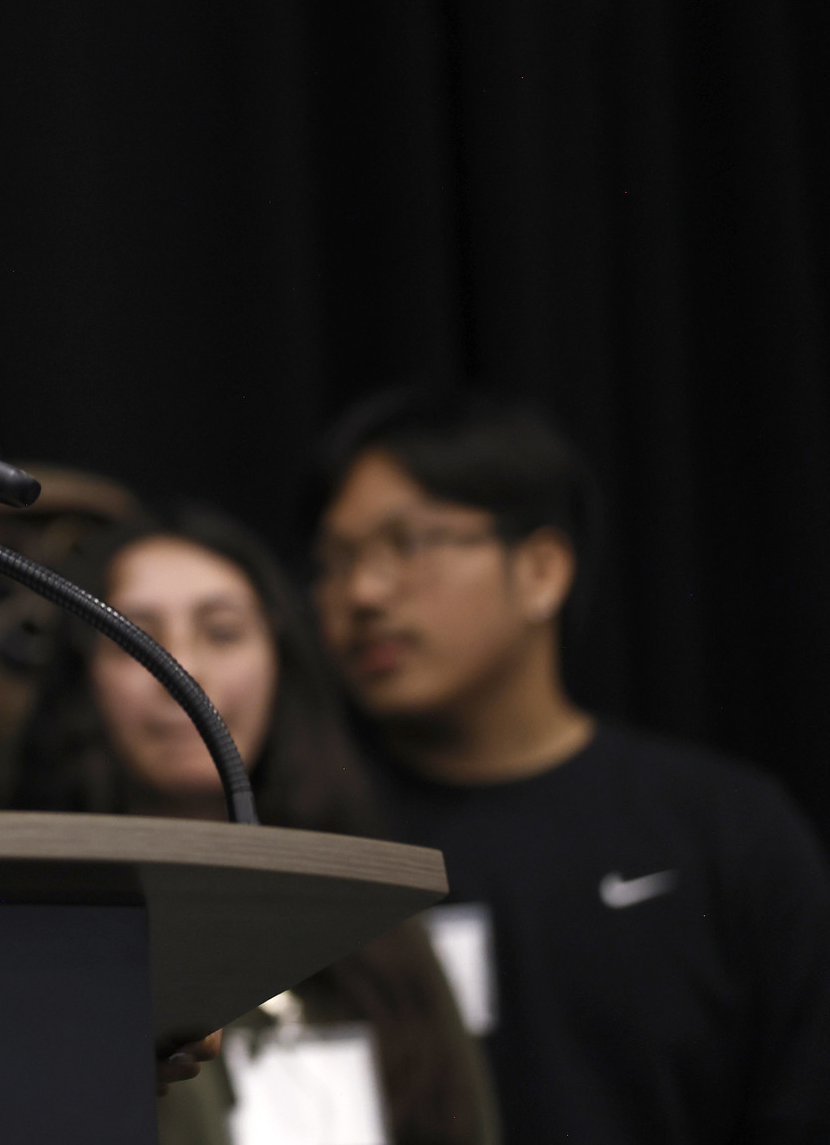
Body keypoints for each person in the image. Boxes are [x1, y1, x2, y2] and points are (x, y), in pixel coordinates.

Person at [309, 388, 830, 1143]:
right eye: (334, 561)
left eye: (408, 543)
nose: (362, 592)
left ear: (542, 571)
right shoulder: (316, 839)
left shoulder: (725, 829)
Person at [18, 502, 496, 1145]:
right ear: (87, 680)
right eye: (139, 639)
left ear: (280, 660)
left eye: (221, 632)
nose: (182, 670)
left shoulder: (376, 913)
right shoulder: (35, 934)